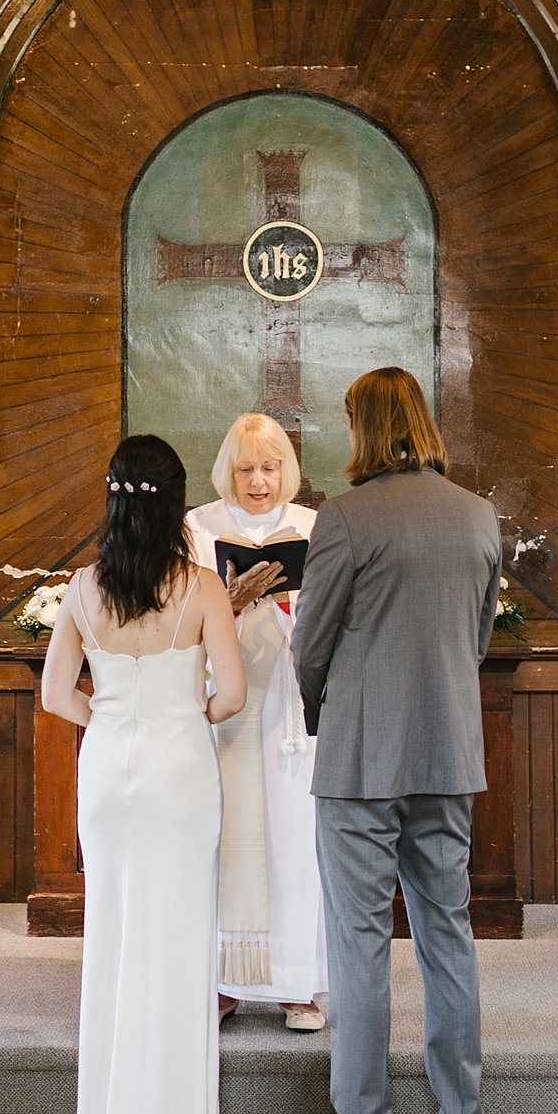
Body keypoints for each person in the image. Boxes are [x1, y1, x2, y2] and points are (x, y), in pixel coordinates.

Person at [282, 369, 502, 1114]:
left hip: (361, 756)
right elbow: (475, 638)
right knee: (447, 936)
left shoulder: (345, 516)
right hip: (446, 752)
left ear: (362, 427)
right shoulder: (476, 515)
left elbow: (312, 640)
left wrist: (319, 712)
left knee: (359, 946)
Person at [41, 434, 246, 1114]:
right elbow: (231, 695)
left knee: (115, 939)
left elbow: (57, 697)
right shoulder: (200, 587)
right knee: (177, 943)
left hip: (108, 768)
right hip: (179, 770)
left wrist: (114, 718)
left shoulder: (83, 586)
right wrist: (178, 716)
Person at [186, 414, 328, 1032]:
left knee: (296, 841)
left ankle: (298, 985)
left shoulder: (312, 527)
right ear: (229, 472)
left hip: (292, 710)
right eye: (246, 469)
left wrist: (291, 601)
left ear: (285, 471)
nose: (259, 481)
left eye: (269, 468)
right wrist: (231, 601)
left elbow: (333, 610)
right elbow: (182, 611)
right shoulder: (201, 526)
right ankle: (225, 981)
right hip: (230, 703)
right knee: (229, 840)